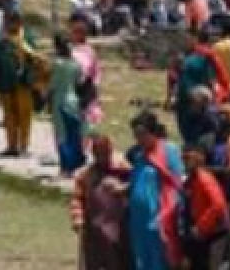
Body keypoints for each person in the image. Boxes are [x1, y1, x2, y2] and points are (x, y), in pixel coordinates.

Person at [125, 110, 185, 270]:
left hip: (159, 217)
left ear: (152, 132)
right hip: (139, 219)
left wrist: (166, 216)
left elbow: (176, 184)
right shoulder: (140, 156)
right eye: (136, 135)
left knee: (159, 260)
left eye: (142, 134)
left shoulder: (168, 152)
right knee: (142, 260)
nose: (139, 139)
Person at [70, 134, 131, 270]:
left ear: (110, 151)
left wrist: (123, 188)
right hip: (93, 231)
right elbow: (77, 198)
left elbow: (135, 187)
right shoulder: (85, 174)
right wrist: (77, 219)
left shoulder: (123, 170)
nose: (102, 157)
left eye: (105, 153)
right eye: (98, 154)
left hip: (118, 231)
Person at [182, 143, 229, 270]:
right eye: (183, 158)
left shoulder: (204, 178)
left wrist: (201, 226)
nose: (185, 162)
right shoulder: (190, 180)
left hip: (212, 233)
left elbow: (218, 205)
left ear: (199, 158)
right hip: (201, 234)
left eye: (188, 158)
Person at [0, 13, 35, 157]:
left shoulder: (28, 39)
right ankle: (11, 145)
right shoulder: (1, 44)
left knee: (24, 116)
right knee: (9, 116)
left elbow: (34, 60)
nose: (12, 26)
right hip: (6, 85)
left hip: (23, 84)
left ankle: (23, 146)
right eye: (9, 23)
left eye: (15, 22)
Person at [49, 34, 87, 177]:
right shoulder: (76, 64)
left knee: (61, 135)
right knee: (73, 134)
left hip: (60, 101)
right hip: (74, 101)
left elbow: (52, 84)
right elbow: (80, 82)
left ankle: (65, 166)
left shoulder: (57, 64)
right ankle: (75, 163)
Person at [69, 14, 104, 128]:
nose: (71, 34)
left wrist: (93, 88)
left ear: (81, 35)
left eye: (74, 32)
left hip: (85, 91)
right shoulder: (71, 50)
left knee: (85, 123)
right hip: (73, 90)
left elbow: (95, 72)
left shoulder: (88, 52)